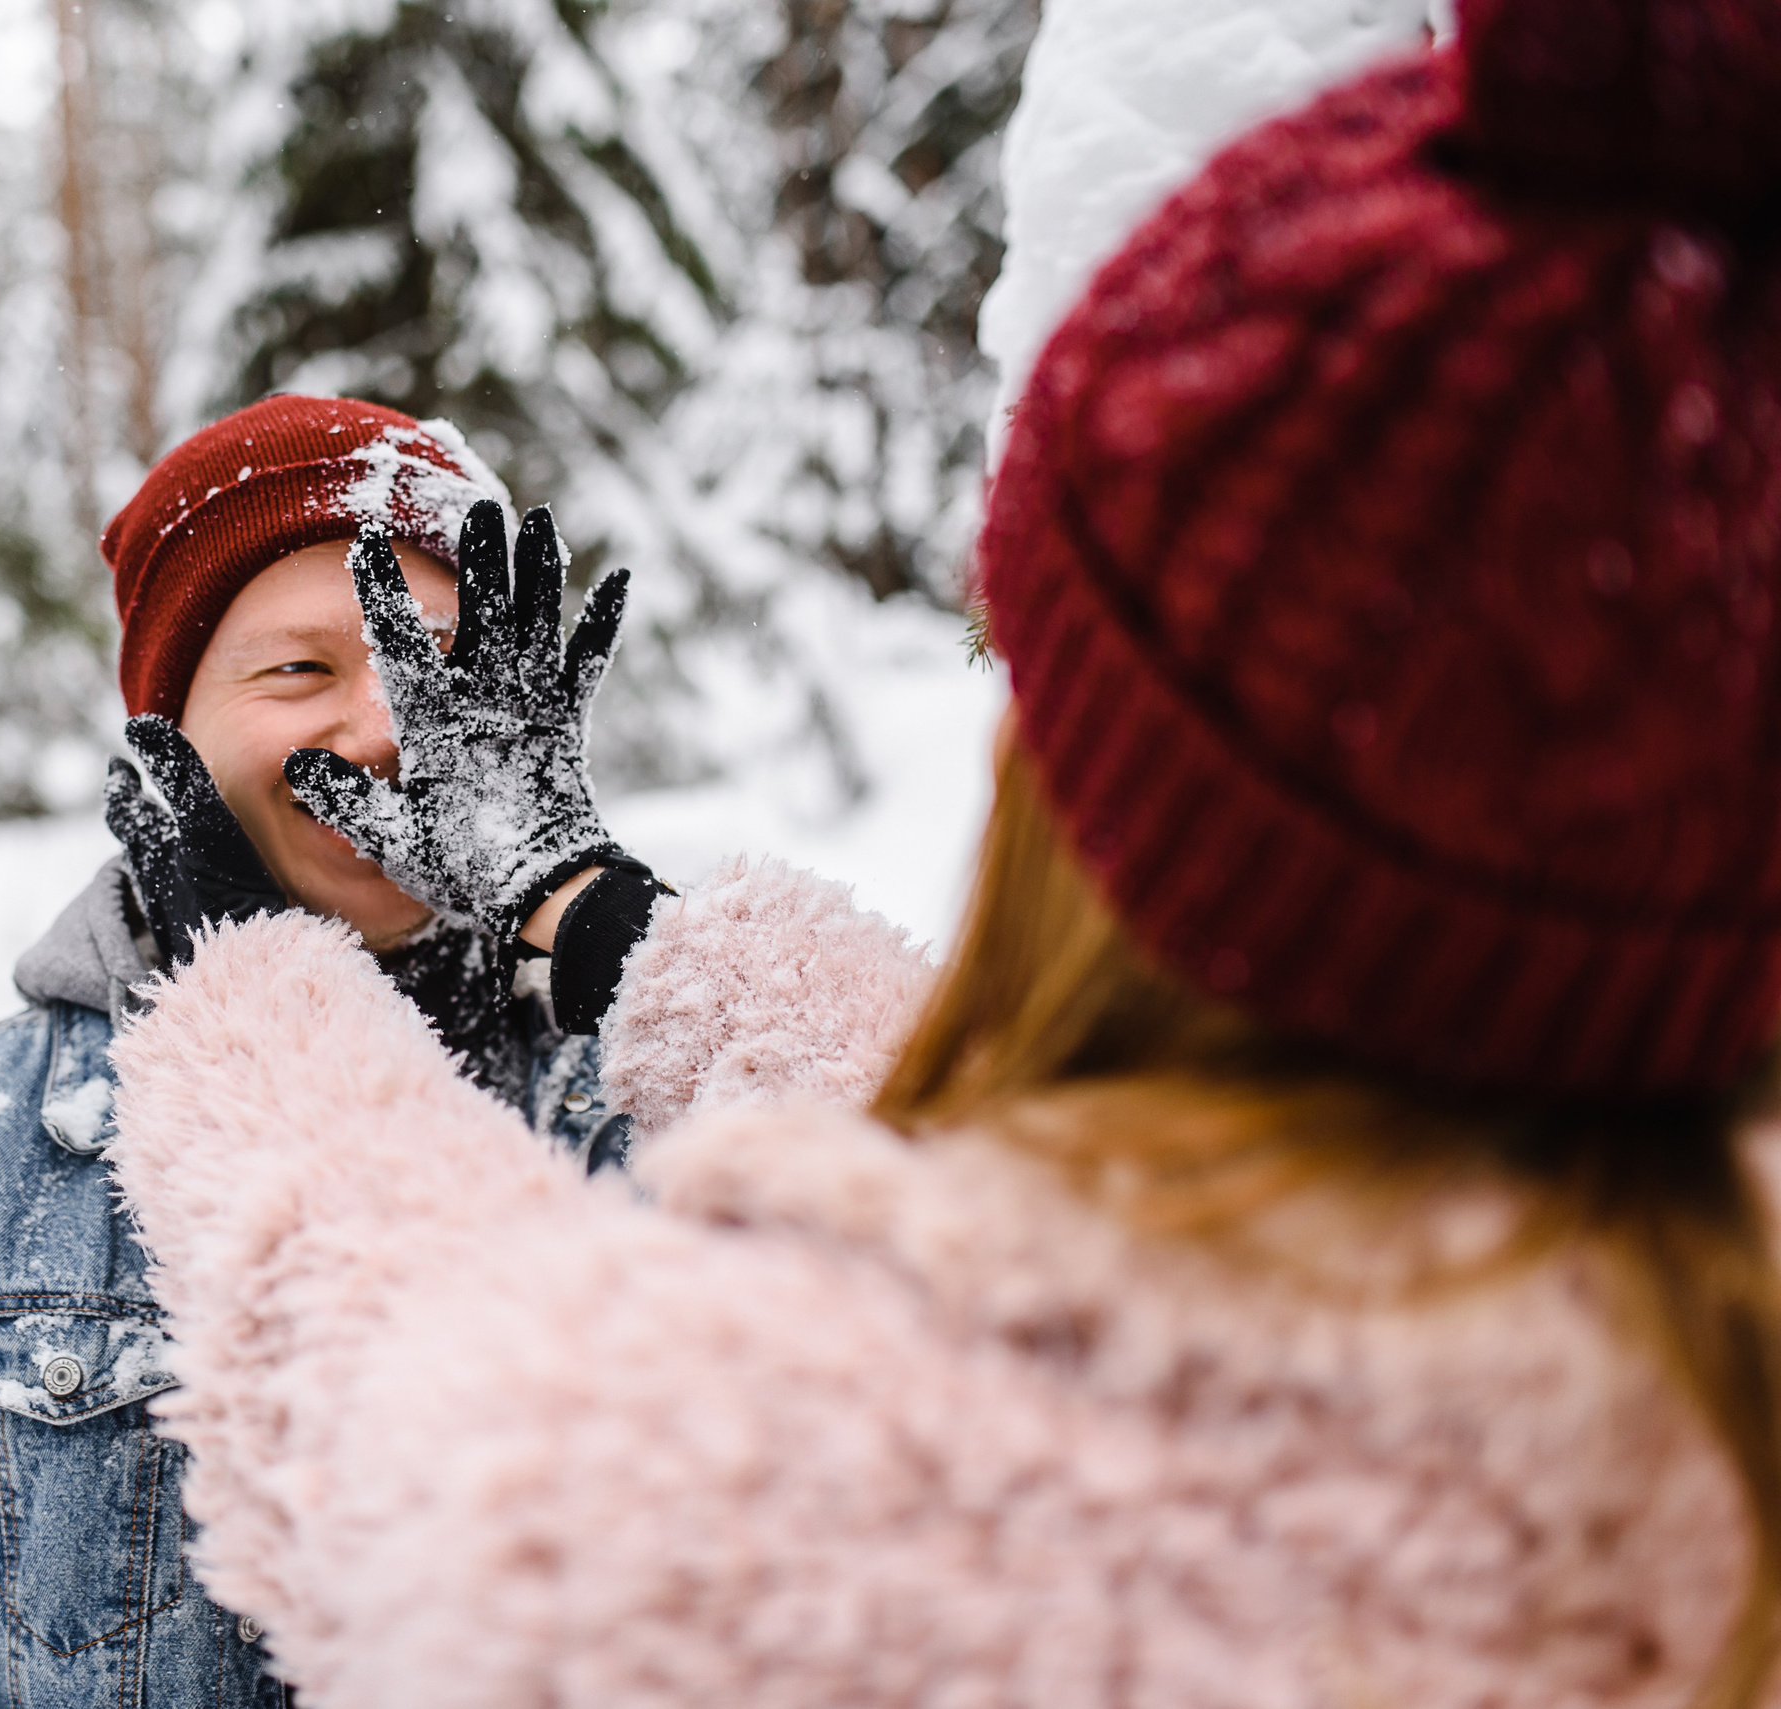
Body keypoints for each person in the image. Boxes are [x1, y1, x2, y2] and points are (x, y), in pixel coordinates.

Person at [101, 0, 1781, 1704]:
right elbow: (1016, 1180)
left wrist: (245, 998)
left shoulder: (899, 1524)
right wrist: (584, 901)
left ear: (1153, 843)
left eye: (1046, 692)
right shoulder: (1679, 1359)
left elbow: (424, 1439)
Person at [0, 395, 669, 1708]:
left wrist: (606, 926)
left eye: (434, 659)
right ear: (170, 727)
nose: (385, 723)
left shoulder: (643, 1093)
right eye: (300, 669)